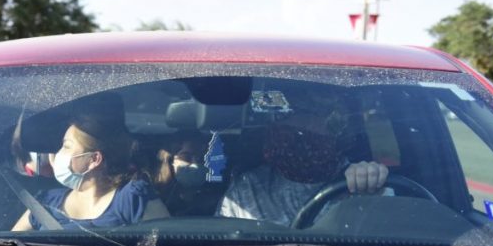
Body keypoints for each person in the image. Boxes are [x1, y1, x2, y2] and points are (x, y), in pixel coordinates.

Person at [217, 90, 388, 226]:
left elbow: (393, 244)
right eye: (285, 117)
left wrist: (372, 186)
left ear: (336, 128)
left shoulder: (360, 183)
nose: (297, 125)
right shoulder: (247, 189)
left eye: (310, 115)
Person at [13, 110, 169, 230]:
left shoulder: (131, 198)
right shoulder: (45, 202)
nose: (57, 153)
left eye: (66, 146)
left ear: (94, 159)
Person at [149, 132, 224, 216]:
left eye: (201, 159)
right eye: (186, 157)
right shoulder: (155, 201)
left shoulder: (221, 202)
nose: (195, 164)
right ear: (171, 161)